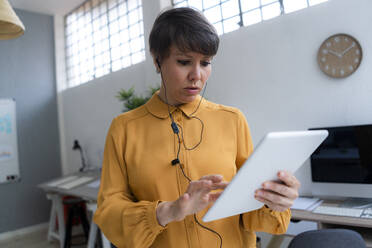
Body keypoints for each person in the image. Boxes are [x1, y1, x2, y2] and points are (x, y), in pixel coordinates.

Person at [94, 7, 300, 248]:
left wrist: (274, 200)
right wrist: (167, 211)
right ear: (157, 60)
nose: (197, 75)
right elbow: (109, 211)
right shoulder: (124, 129)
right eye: (184, 62)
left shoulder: (232, 120)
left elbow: (251, 208)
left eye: (206, 63)